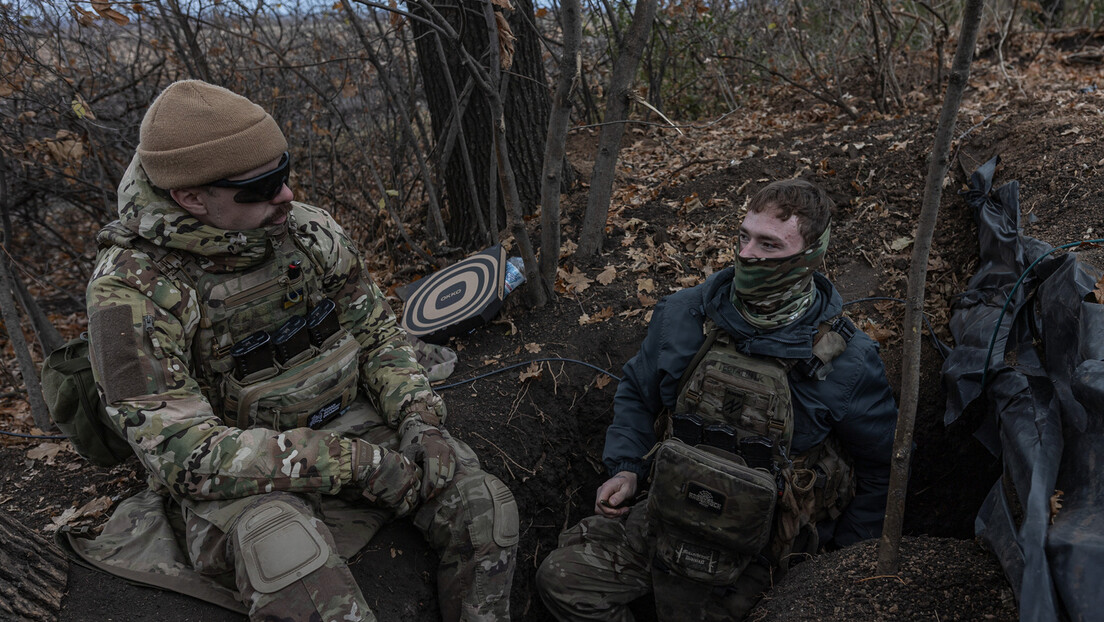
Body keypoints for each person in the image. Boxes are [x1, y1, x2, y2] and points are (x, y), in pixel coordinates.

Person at [73, 80, 518, 622]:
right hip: (239, 467)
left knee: (484, 510)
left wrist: (419, 419)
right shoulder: (131, 290)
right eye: (259, 187)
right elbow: (183, 453)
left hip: (349, 420)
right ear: (191, 198)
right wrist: (356, 466)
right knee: (288, 559)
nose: (285, 195)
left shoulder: (306, 232)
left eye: (283, 173)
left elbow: (378, 336)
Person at [536, 179, 897, 621]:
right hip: (666, 518)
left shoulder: (850, 362)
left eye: (768, 244)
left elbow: (884, 467)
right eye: (744, 236)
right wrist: (626, 467)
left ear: (810, 257)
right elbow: (635, 392)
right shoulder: (684, 315)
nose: (746, 254)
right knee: (563, 579)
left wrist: (838, 568)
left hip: (767, 557)